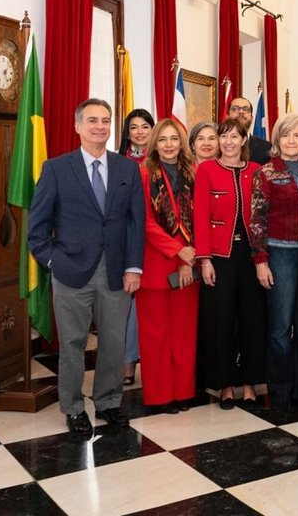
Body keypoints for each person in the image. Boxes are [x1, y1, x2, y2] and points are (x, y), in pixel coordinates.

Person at [28, 99, 144, 435]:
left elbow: (135, 223)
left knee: (113, 342)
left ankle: (108, 401)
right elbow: (37, 230)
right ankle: (73, 406)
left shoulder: (127, 169)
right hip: (70, 271)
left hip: (117, 272)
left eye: (106, 121)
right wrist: (54, 262)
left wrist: (134, 267)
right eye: (92, 120)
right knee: (73, 343)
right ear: (77, 126)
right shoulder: (56, 169)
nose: (100, 127)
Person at [249, 113, 298, 411]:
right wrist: (260, 261)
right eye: (285, 135)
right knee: (280, 328)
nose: (291, 141)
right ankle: (280, 392)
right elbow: (256, 220)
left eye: (297, 135)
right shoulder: (265, 173)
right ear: (277, 140)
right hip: (280, 254)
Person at [194, 119, 265, 409]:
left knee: (252, 320)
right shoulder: (207, 169)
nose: (228, 142)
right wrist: (204, 259)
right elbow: (200, 215)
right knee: (220, 320)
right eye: (224, 137)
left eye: (235, 136)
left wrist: (263, 258)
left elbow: (262, 217)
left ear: (244, 139)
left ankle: (249, 383)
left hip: (251, 257)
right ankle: (224, 385)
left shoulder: (257, 171)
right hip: (220, 258)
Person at [137, 118, 199, 414]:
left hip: (190, 266)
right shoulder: (143, 174)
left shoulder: (194, 172)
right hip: (156, 266)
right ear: (154, 144)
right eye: (163, 140)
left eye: (175, 139)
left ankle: (183, 391)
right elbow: (145, 223)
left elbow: (201, 219)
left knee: (184, 334)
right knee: (155, 335)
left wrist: (190, 257)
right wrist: (179, 251)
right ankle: (160, 396)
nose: (169, 145)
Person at [118, 108, 154, 385]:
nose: (139, 132)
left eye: (144, 126)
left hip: (156, 243)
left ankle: (154, 362)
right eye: (133, 127)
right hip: (127, 242)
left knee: (151, 306)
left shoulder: (163, 161)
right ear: (126, 133)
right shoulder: (118, 163)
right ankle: (127, 363)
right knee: (127, 307)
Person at [226, 96, 272, 165]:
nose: (241, 112)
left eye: (245, 109)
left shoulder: (267, 148)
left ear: (252, 118)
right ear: (227, 116)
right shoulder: (218, 145)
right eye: (235, 109)